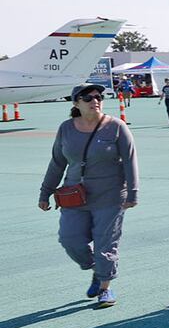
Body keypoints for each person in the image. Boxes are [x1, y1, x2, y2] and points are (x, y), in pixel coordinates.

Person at [37, 83, 138, 307]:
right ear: (76, 103)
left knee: (106, 244)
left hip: (110, 196)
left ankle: (105, 288)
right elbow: (57, 163)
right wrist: (45, 193)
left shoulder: (116, 127)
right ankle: (96, 269)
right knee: (69, 240)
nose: (95, 100)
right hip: (75, 195)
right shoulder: (66, 128)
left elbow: (130, 161)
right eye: (88, 97)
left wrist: (132, 192)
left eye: (98, 96)